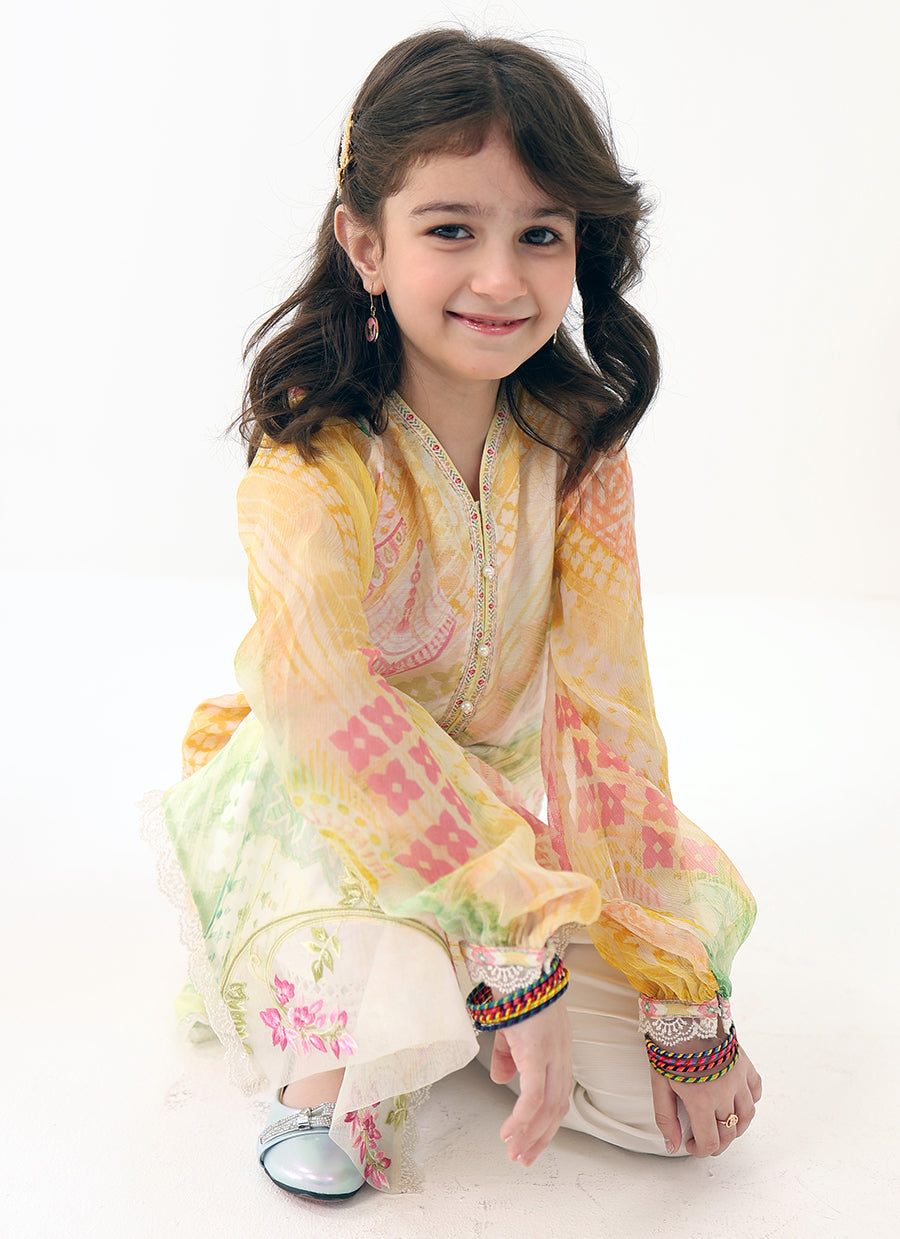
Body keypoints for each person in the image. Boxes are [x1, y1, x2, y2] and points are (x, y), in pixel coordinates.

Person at [146, 27, 762, 1201]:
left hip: (491, 818)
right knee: (379, 1037)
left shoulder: (579, 450)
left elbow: (608, 717)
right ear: (365, 245)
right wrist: (515, 952)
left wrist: (670, 974)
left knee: (655, 1112)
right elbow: (332, 715)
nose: (499, 279)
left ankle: (474, 983)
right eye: (450, 230)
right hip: (317, 803)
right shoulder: (311, 461)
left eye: (539, 234)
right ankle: (348, 1058)